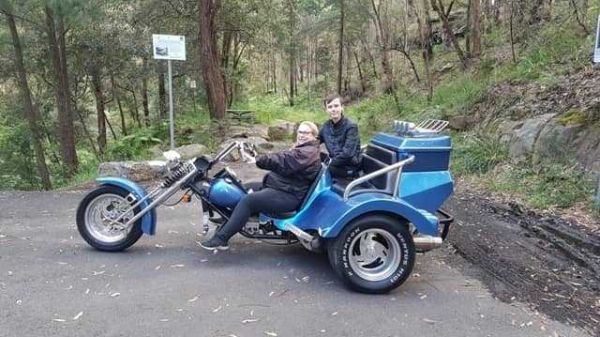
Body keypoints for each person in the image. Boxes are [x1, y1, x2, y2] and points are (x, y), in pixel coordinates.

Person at [200, 121, 322, 251]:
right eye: (300, 132)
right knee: (241, 188)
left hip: (289, 196)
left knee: (249, 201)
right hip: (282, 187)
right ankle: (229, 222)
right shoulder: (303, 148)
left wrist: (258, 159)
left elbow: (283, 159)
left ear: (314, 136)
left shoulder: (307, 152)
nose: (301, 135)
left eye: (306, 133)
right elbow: (284, 159)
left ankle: (221, 239)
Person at [319, 94, 361, 178]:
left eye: (336, 106)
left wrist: (329, 163)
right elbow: (315, 141)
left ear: (342, 107)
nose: (333, 109)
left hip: (349, 166)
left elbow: (347, 154)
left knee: (319, 172)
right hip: (334, 163)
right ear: (326, 110)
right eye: (330, 107)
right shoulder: (326, 126)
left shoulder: (351, 126)